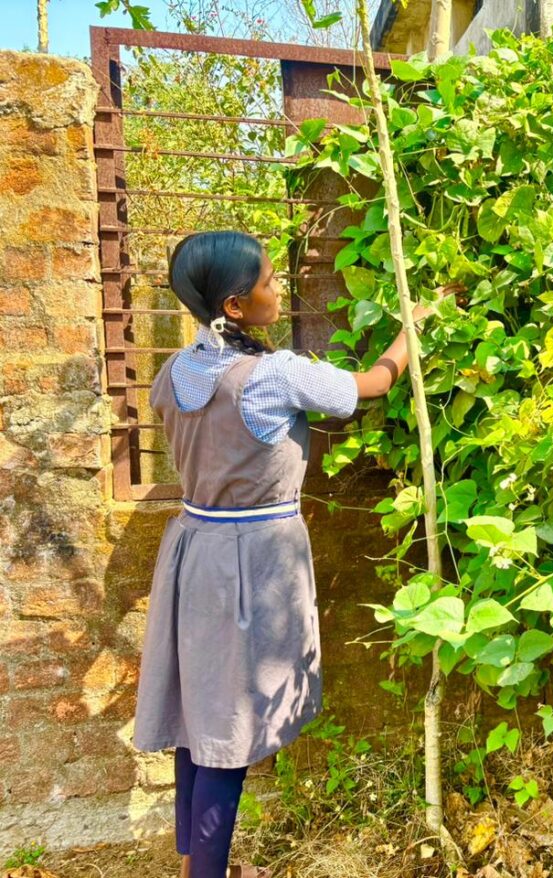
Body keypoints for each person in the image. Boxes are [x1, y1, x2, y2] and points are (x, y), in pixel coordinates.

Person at [132, 231, 442, 878]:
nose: (282, 288)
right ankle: (206, 875)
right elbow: (373, 384)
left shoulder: (174, 370)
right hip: (253, 560)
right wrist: (414, 323)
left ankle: (197, 863)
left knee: (199, 714)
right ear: (235, 307)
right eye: (270, 282)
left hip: (194, 549)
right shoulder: (274, 375)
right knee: (229, 732)